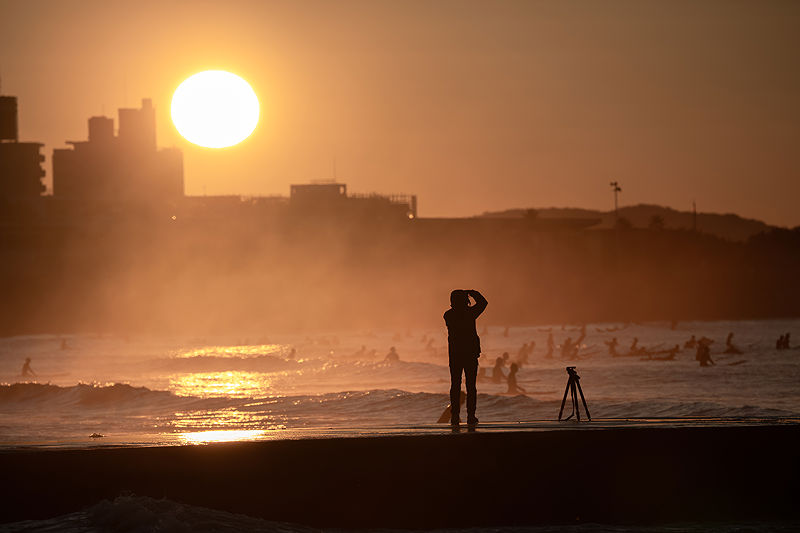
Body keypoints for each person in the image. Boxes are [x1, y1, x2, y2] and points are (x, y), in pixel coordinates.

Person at [444, 289, 488, 425]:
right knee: (471, 386)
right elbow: (483, 302)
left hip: (455, 354)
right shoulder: (470, 313)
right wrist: (473, 292)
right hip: (469, 354)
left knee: (455, 385)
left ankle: (455, 416)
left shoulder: (448, 315)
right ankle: (471, 416)